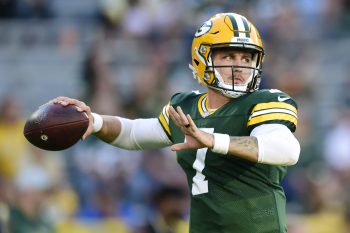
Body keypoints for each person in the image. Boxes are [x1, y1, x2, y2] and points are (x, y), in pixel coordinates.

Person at [53, 12, 300, 233]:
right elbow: (134, 133)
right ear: (203, 58)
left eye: (247, 58)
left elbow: (286, 149)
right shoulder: (187, 106)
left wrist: (213, 141)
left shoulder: (266, 101)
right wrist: (93, 121)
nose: (240, 66)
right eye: (229, 56)